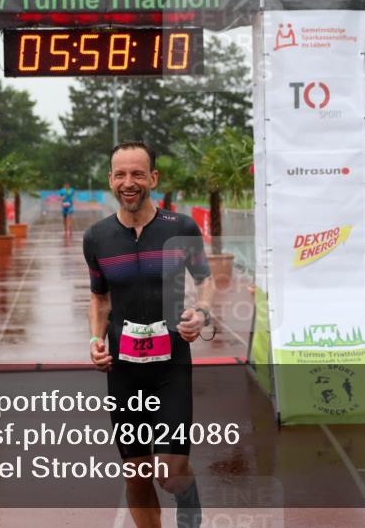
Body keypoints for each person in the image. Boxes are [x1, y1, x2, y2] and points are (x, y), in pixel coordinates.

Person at [84, 141, 213, 528]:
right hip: (124, 371)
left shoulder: (182, 228)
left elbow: (205, 281)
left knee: (171, 473)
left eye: (137, 174)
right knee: (137, 475)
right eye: (120, 174)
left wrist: (201, 314)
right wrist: (95, 342)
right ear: (110, 180)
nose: (129, 182)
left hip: (171, 366)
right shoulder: (97, 238)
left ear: (152, 178)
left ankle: (187, 499)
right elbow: (99, 299)